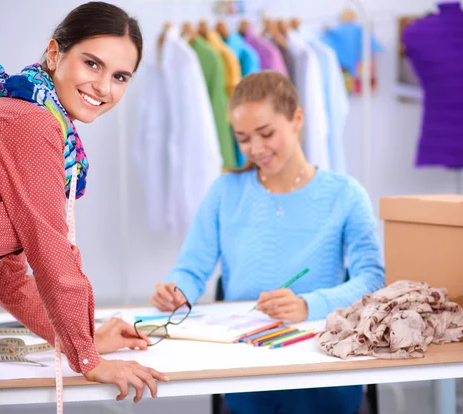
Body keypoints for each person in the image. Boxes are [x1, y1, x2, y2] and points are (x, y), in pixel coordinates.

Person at [0, 2, 167, 412]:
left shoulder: (24, 112)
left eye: (120, 76)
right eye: (92, 64)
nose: (104, 87)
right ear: (55, 54)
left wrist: (84, 338)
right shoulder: (31, 124)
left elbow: (9, 277)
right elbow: (51, 253)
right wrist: (88, 360)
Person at [149, 71, 385, 414]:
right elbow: (191, 268)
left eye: (266, 133)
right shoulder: (224, 191)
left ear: (297, 120)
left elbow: (372, 280)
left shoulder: (345, 194)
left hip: (323, 372)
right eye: (243, 138)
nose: (256, 149)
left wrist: (308, 304)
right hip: (247, 371)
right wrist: (177, 291)